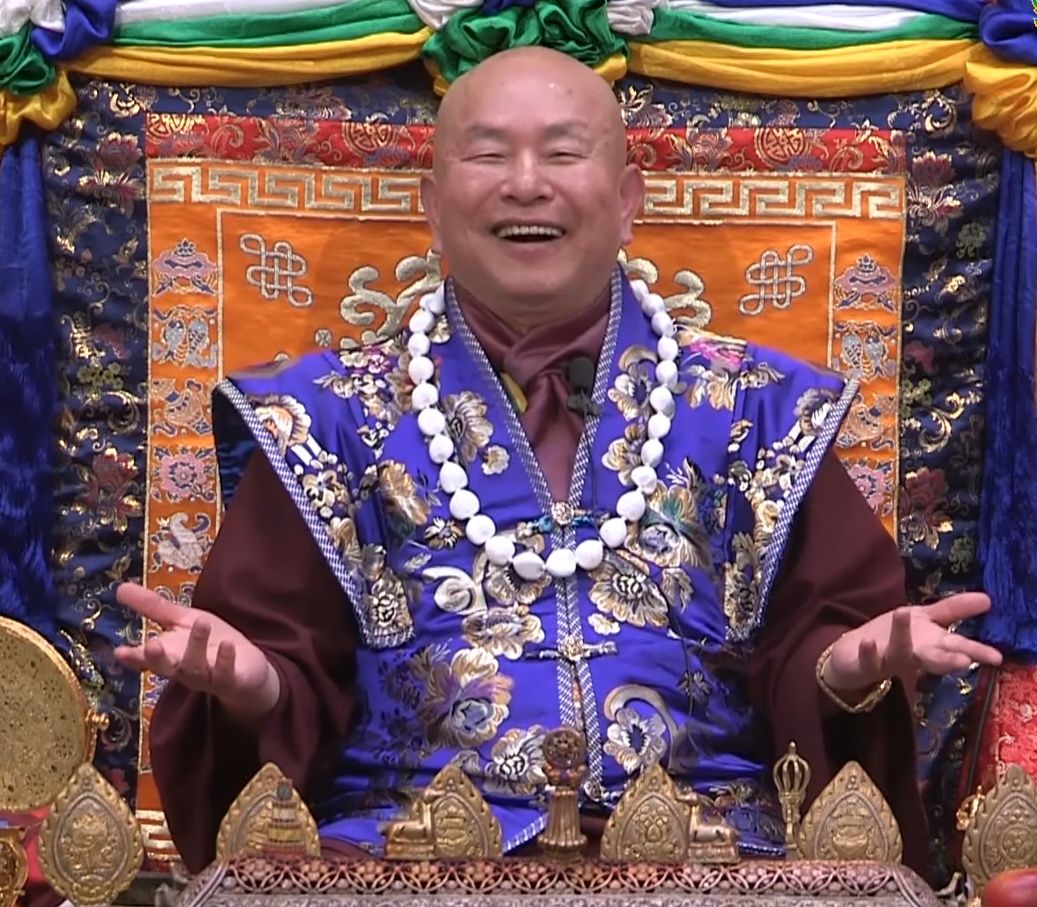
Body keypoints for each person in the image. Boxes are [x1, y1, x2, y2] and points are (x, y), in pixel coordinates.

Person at [114, 46, 1002, 878]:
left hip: (708, 857)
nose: (526, 183)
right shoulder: (327, 415)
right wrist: (256, 687)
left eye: (562, 153)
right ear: (432, 204)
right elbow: (277, 664)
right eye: (489, 154)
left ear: (626, 198)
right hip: (406, 858)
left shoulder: (757, 408)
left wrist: (839, 675)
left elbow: (822, 638)